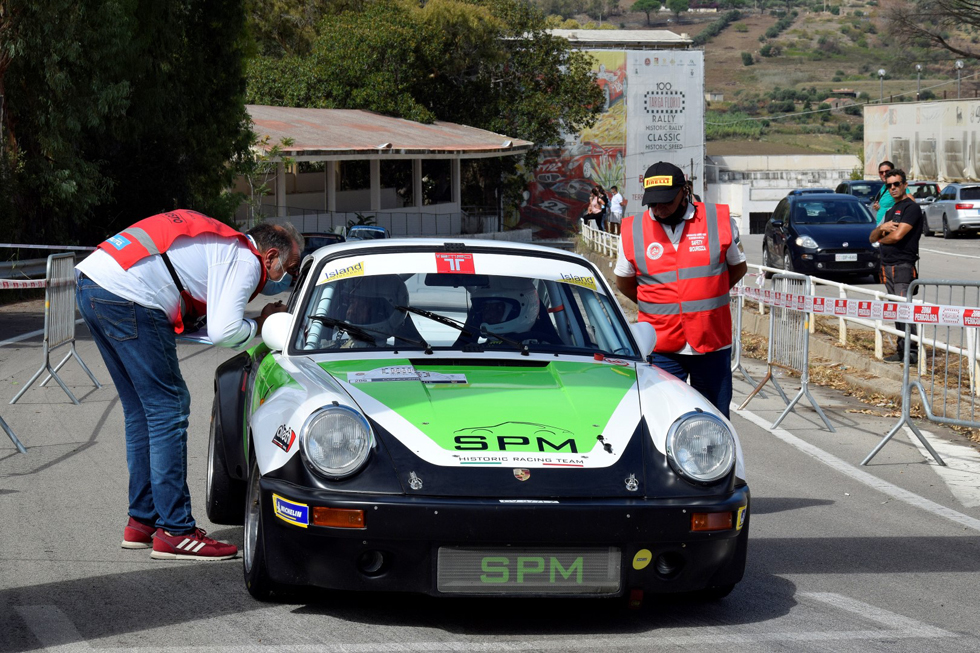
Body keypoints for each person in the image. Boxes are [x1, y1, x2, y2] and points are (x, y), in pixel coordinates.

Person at [75, 210, 303, 561]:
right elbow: (224, 332)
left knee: (141, 409)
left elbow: (201, 323)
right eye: (287, 270)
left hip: (95, 280)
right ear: (270, 255)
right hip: (128, 293)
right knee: (169, 408)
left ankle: (143, 521)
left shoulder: (221, 247)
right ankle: (176, 531)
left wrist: (251, 321)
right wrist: (263, 323)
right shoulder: (243, 258)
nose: (283, 280)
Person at [615, 162, 747, 418]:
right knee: (662, 418)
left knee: (714, 417)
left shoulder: (718, 220)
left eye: (665, 201)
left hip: (711, 343)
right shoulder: (632, 229)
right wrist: (658, 304)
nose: (659, 208)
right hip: (661, 344)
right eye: (652, 203)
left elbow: (737, 268)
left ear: (684, 191)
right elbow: (625, 282)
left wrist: (708, 291)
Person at [870, 169, 922, 364]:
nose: (892, 188)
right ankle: (902, 351)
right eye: (889, 185)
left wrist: (882, 237)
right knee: (895, 311)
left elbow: (898, 235)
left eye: (896, 184)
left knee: (904, 310)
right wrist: (881, 229)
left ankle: (912, 352)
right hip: (887, 267)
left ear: (904, 185)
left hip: (902, 266)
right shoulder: (890, 211)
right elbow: (872, 237)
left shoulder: (911, 208)